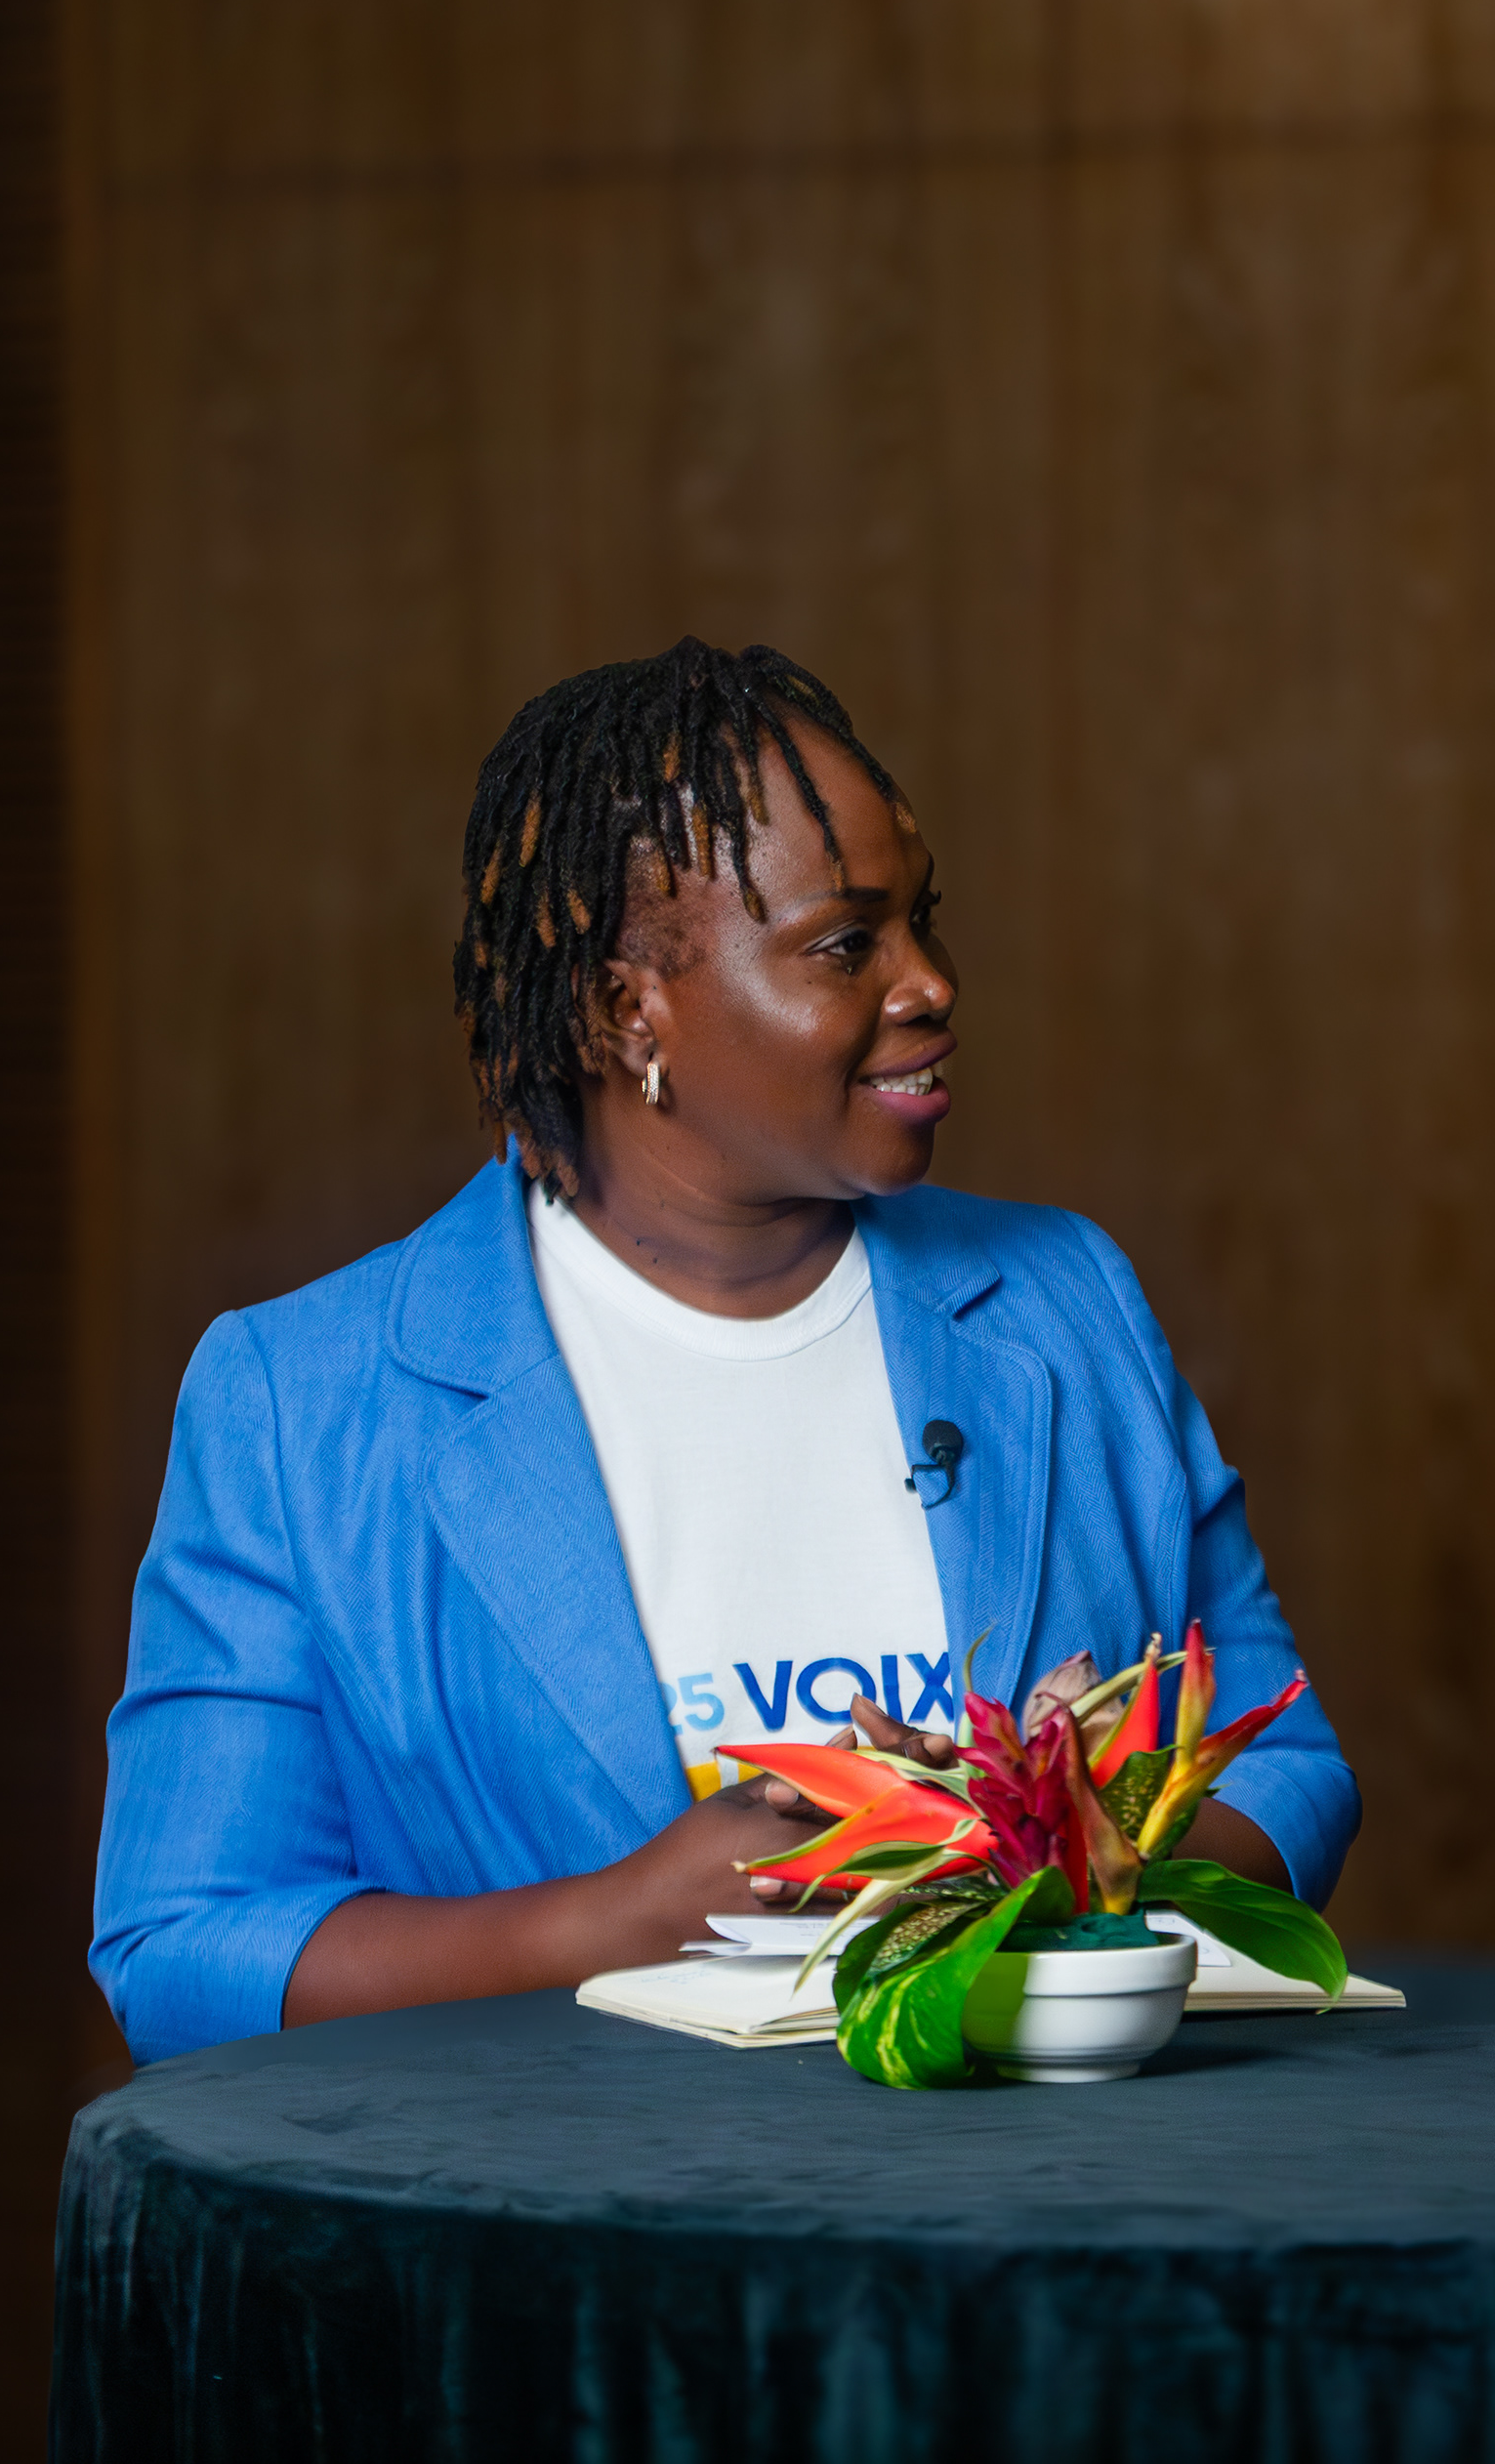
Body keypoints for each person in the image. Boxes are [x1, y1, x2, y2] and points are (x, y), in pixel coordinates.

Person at [94, 641, 1357, 2065]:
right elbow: (184, 1949)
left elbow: (1295, 1773)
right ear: (629, 1008)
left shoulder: (1067, 1303)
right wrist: (611, 1923)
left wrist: (1062, 1858)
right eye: (846, 942)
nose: (931, 983)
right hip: (570, 2248)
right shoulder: (302, 1398)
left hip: (1036, 2227)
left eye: (924, 924)